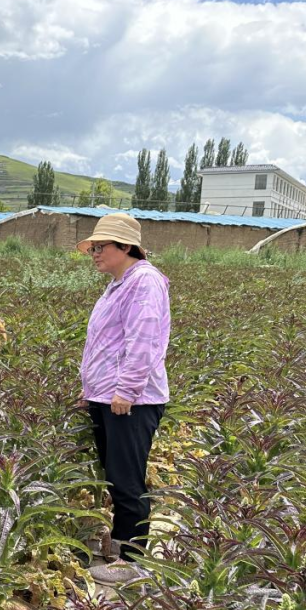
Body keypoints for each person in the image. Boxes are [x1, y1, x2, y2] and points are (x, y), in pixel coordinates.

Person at [77, 213, 170, 585]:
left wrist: (126, 390)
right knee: (116, 478)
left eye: (101, 247)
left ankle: (132, 562)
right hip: (108, 397)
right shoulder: (119, 283)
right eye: (93, 248)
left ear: (126, 247)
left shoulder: (144, 282)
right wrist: (91, 391)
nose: (94, 253)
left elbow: (143, 341)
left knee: (127, 482)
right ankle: (119, 547)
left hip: (131, 401)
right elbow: (105, 342)